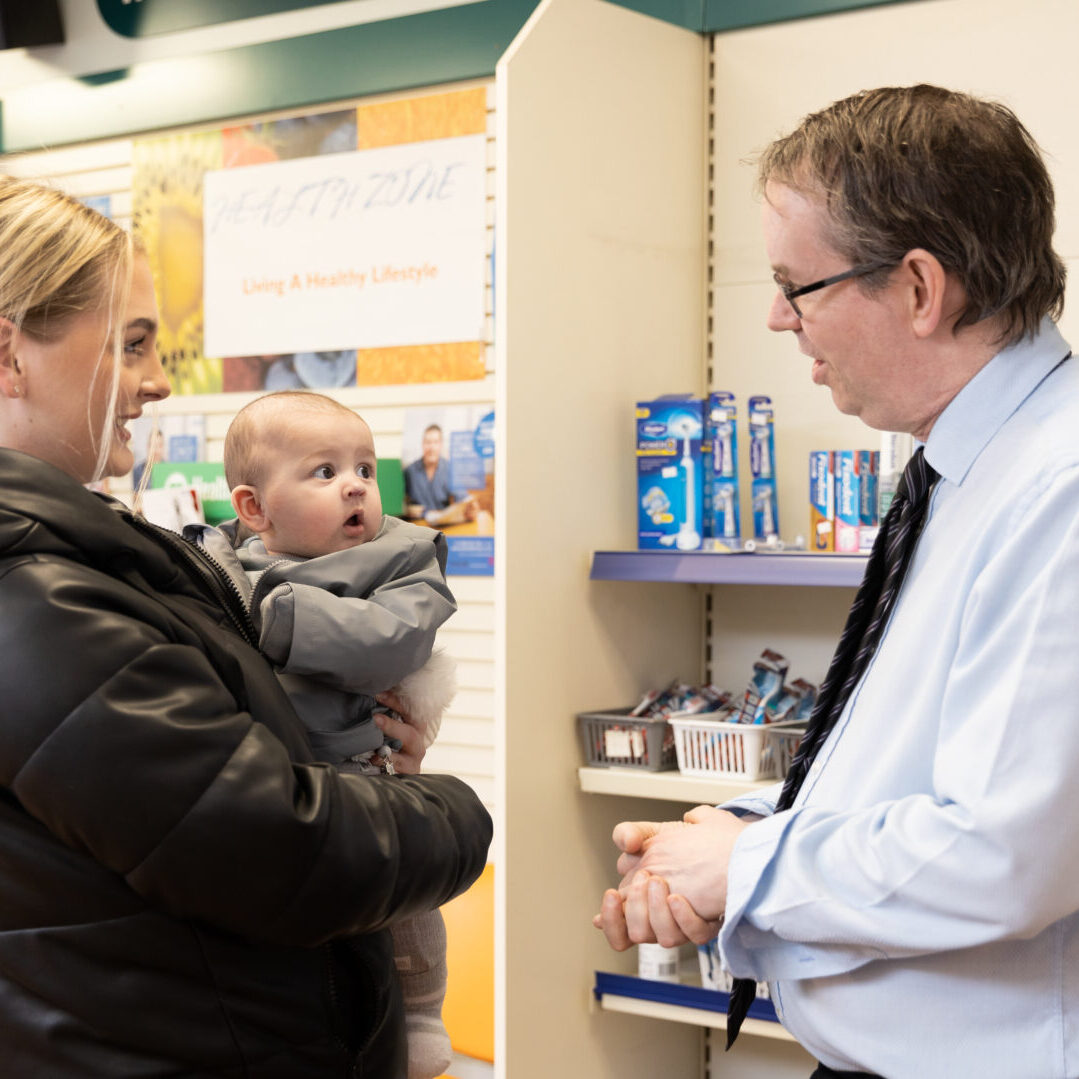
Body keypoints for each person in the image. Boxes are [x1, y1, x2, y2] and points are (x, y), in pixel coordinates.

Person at [595, 85, 1078, 1079]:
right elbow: (923, 768)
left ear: (915, 288)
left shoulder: (1058, 488)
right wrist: (739, 841)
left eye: (796, 284)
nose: (777, 318)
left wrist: (745, 868)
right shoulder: (959, 468)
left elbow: (1005, 852)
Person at [0, 175, 492, 1077]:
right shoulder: (35, 595)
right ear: (10, 355)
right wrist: (454, 813)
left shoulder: (85, 554)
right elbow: (274, 848)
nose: (155, 381)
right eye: (134, 343)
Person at [186, 390, 460, 1079]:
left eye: (364, 468)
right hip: (271, 775)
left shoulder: (401, 556)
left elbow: (392, 641)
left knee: (402, 893)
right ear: (253, 508)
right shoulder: (226, 569)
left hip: (361, 760)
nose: (355, 486)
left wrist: (283, 619)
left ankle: (423, 1005)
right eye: (324, 471)